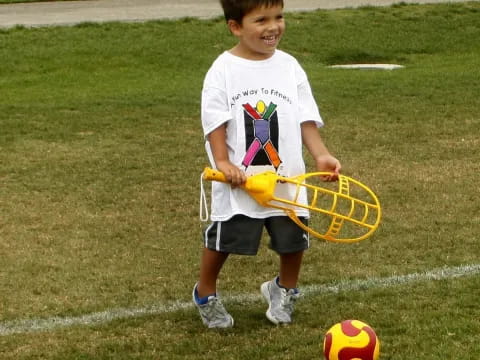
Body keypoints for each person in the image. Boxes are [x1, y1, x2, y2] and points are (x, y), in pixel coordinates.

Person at [193, 0, 341, 328]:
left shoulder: (290, 67)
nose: (273, 27)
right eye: (261, 20)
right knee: (226, 239)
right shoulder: (223, 69)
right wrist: (222, 162)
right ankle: (205, 292)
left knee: (293, 238)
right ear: (235, 26)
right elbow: (214, 121)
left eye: (278, 17)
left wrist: (321, 154)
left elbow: (305, 117)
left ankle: (283, 290)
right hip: (242, 180)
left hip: (286, 178)